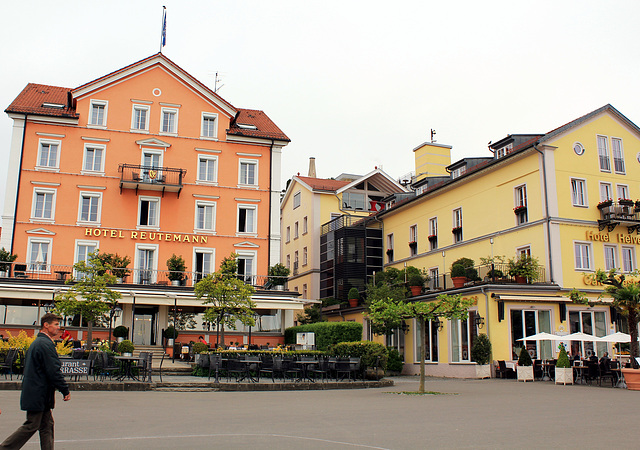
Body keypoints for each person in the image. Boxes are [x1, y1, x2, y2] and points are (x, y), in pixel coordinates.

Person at [0, 313, 70, 449]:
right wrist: (64, 389)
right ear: (46, 325)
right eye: (56, 324)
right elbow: (53, 370)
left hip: (39, 393)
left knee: (46, 425)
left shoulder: (39, 342)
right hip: (38, 393)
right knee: (32, 425)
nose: (58, 328)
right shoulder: (44, 344)